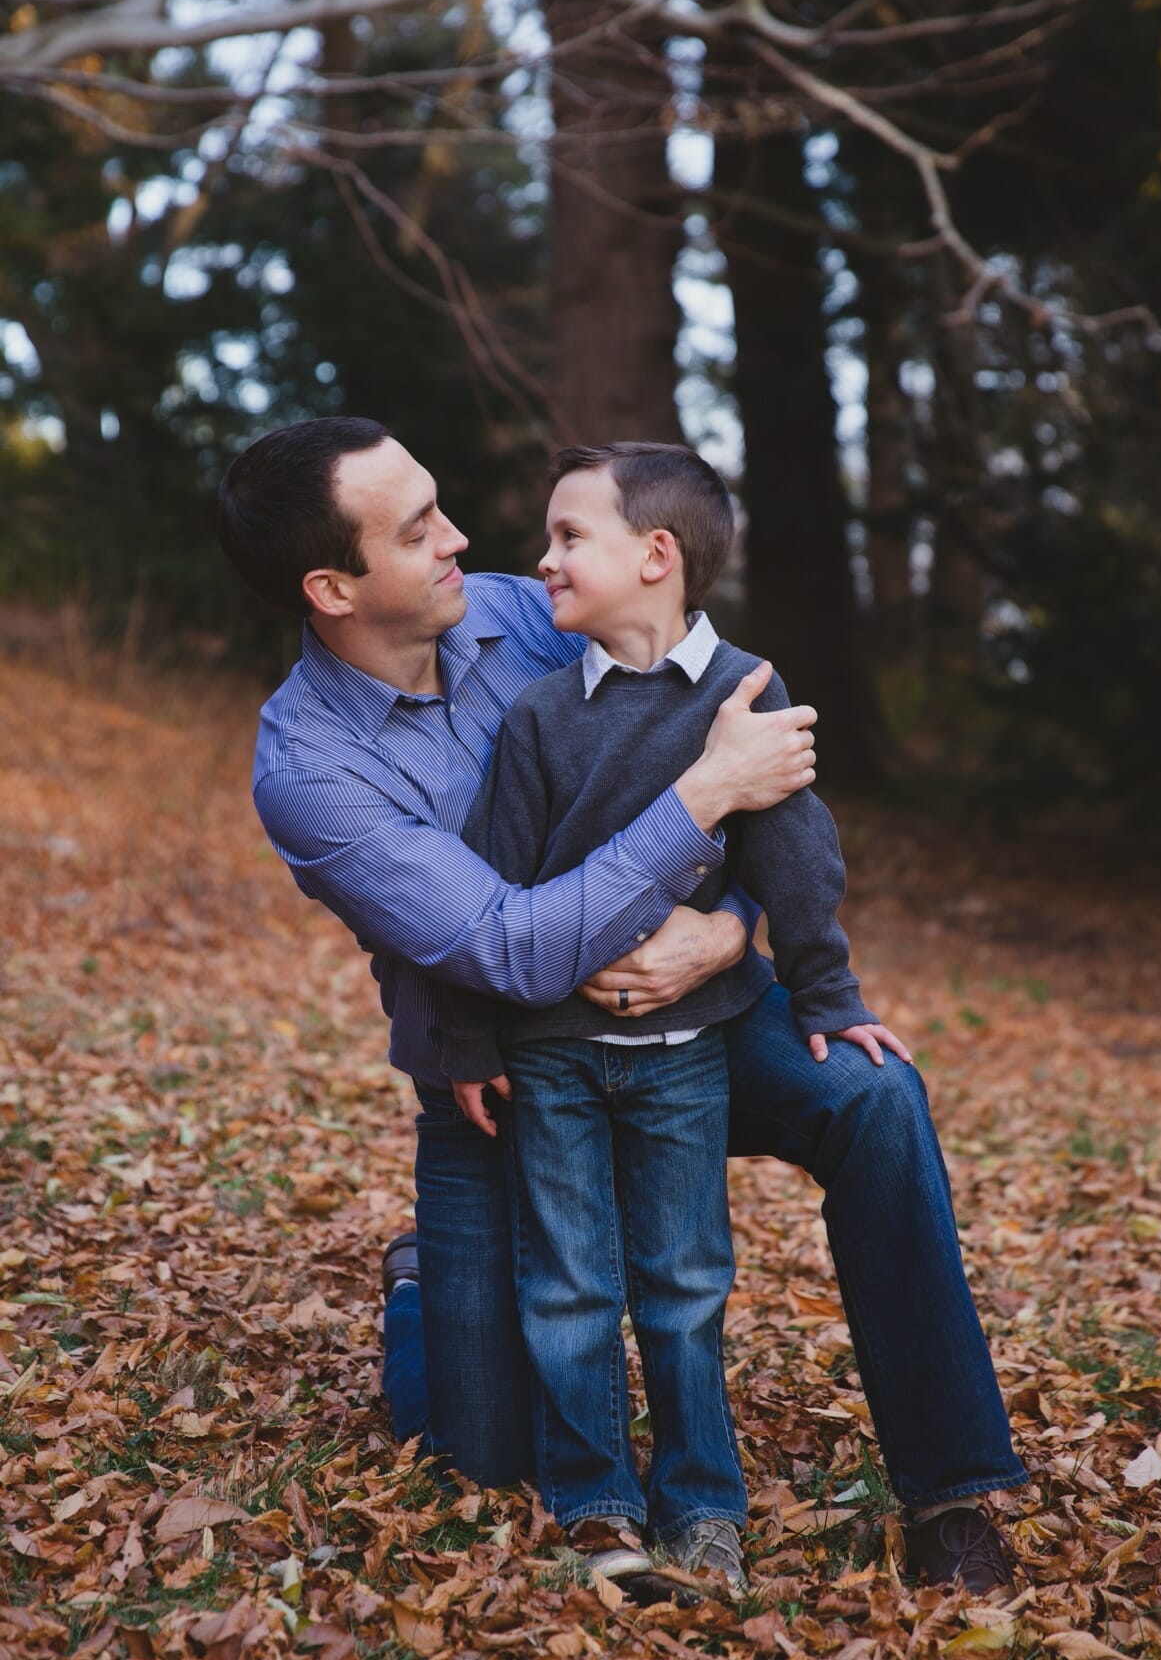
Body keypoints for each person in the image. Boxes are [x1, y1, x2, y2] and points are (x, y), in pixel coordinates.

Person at [218, 415, 1027, 1599]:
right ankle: (423, 1291)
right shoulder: (309, 769)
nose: (459, 540)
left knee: (875, 1096)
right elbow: (508, 945)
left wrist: (728, 927)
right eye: (417, 530)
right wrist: (700, 801)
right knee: (485, 1458)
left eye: (438, 506)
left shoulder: (524, 613)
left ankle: (951, 1491)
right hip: (501, 1068)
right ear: (332, 589)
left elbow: (734, 752)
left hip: (692, 1011)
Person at [437, 441, 890, 1592]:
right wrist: (470, 1039)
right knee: (569, 1289)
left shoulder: (743, 692)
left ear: (656, 556)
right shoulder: (541, 717)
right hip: (551, 1057)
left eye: (568, 536)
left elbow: (797, 856)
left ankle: (703, 1511)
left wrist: (827, 995)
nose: (543, 559)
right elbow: (491, 886)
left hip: (685, 1056)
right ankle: (596, 1509)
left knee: (686, 1287)